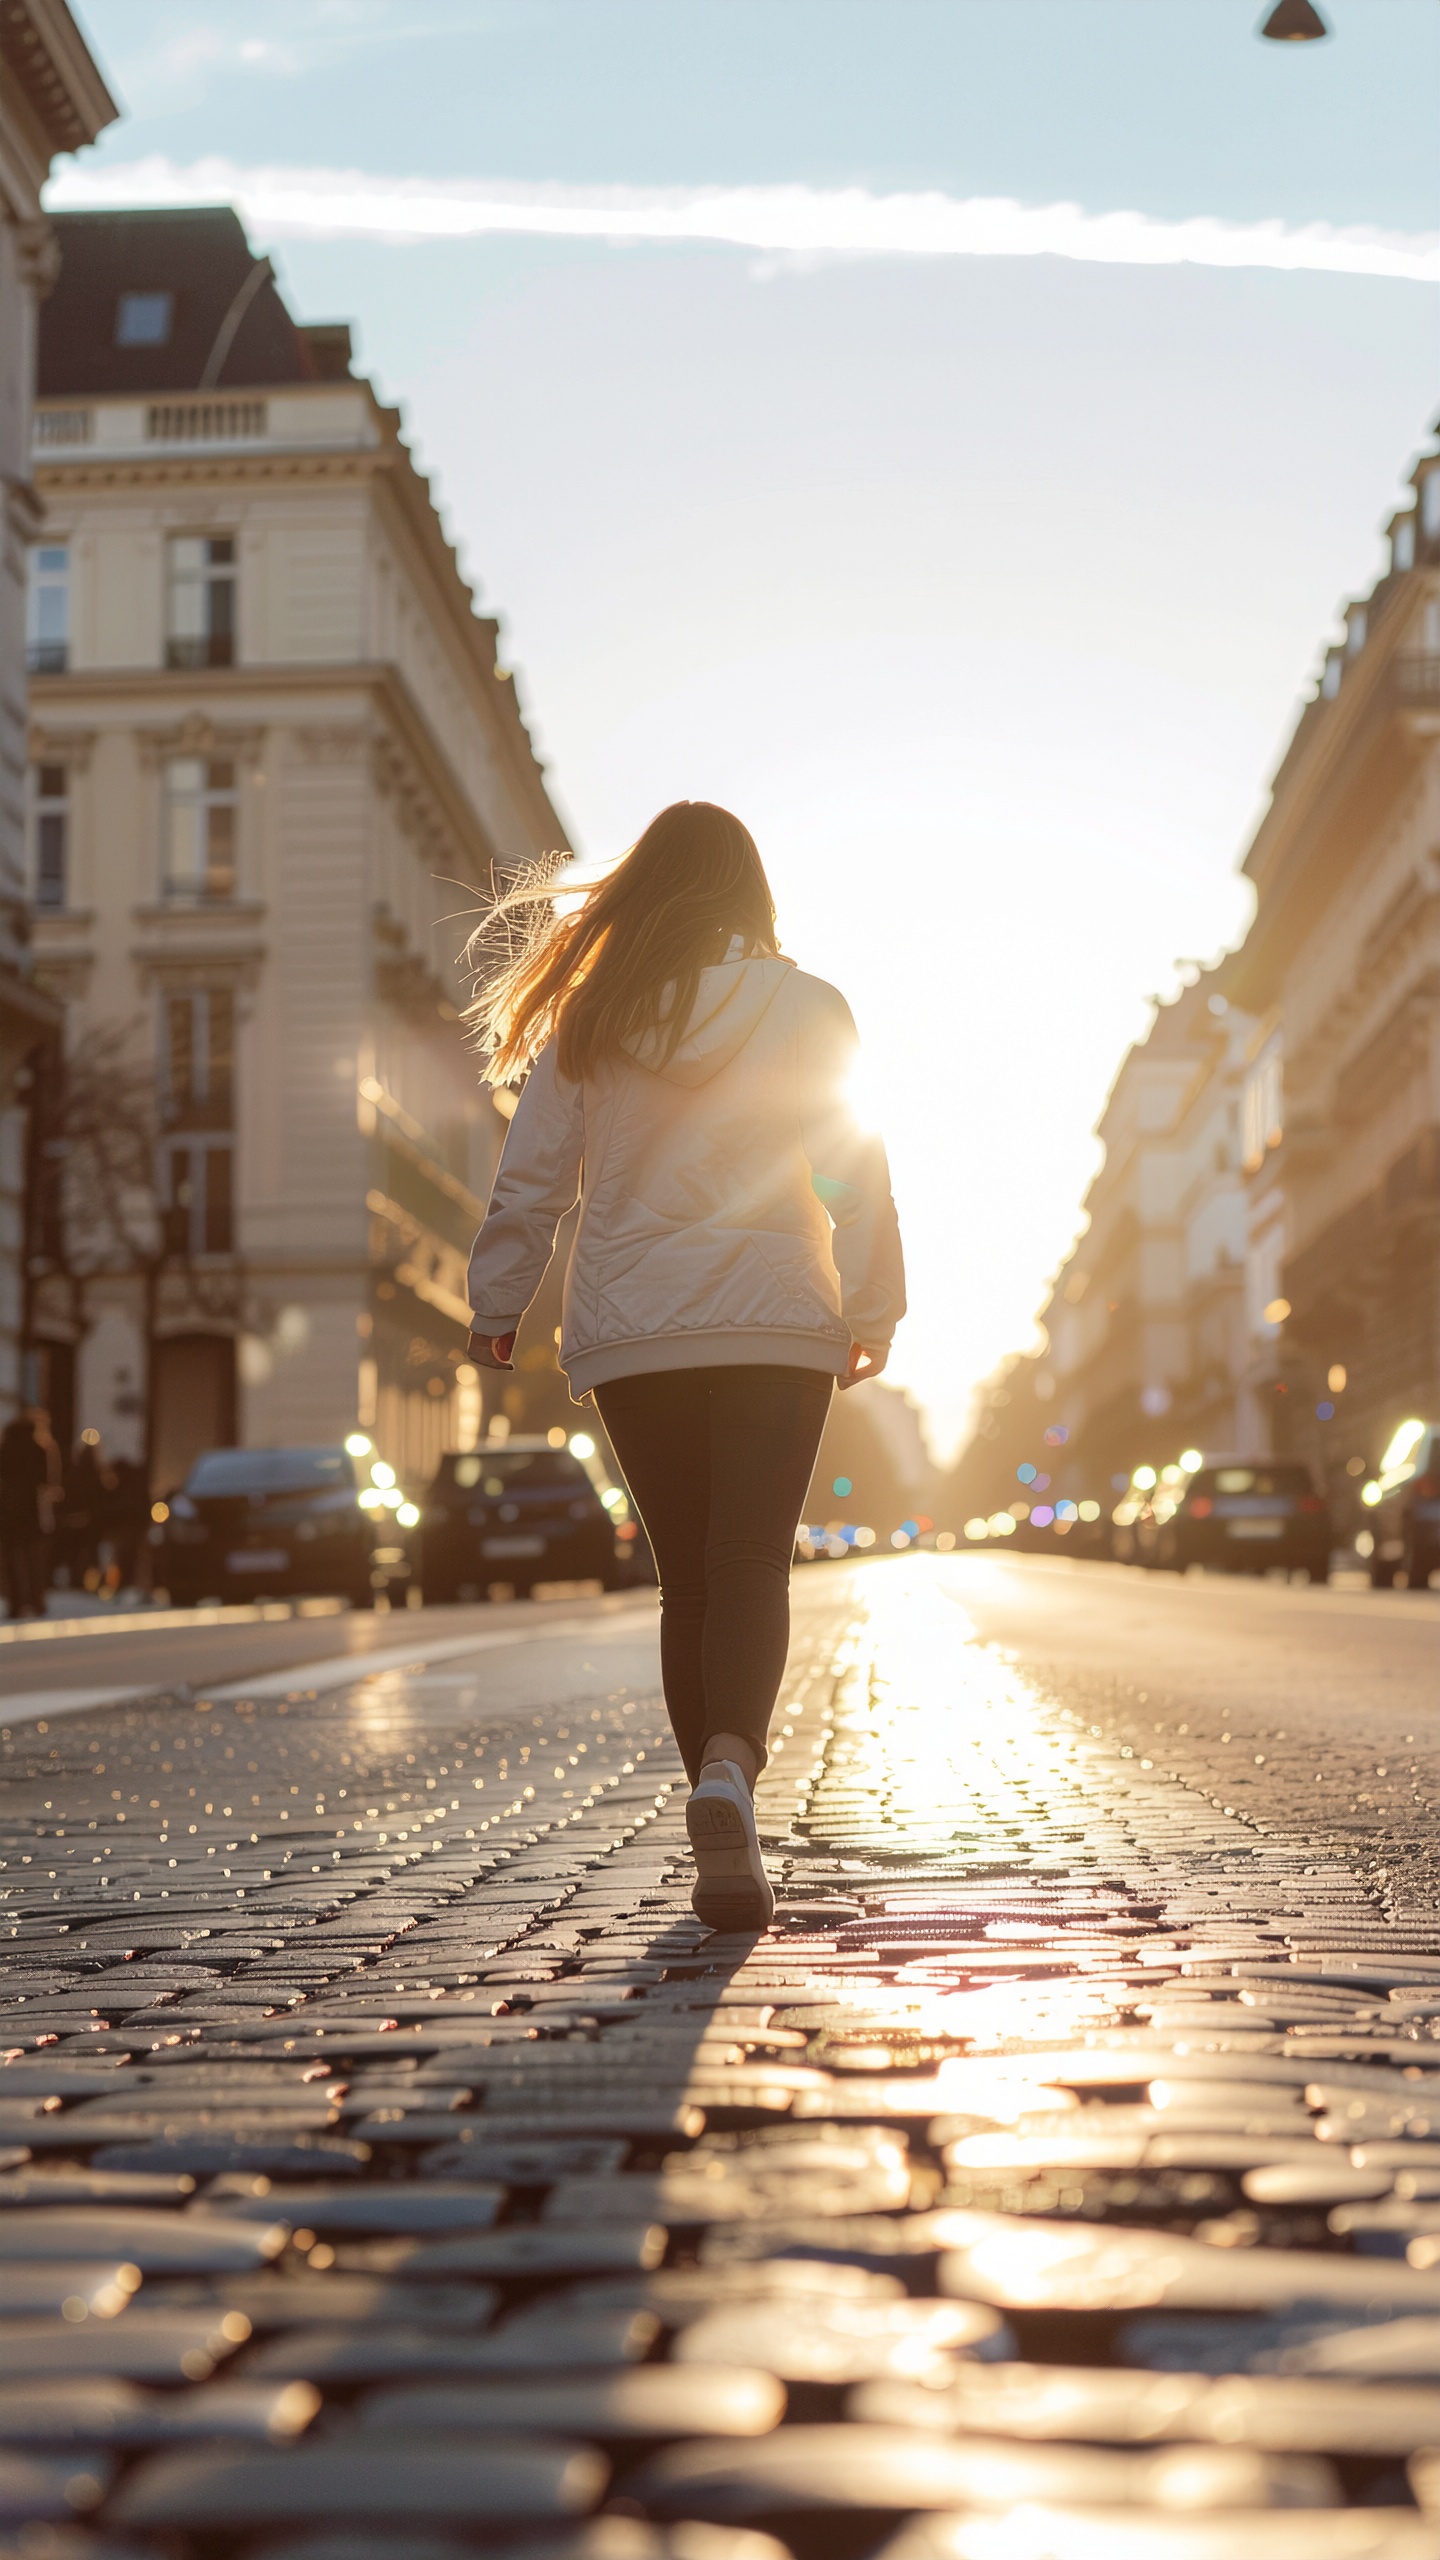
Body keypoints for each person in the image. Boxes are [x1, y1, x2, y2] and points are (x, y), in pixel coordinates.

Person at [463, 801, 905, 1930]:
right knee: (754, 1557)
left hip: (634, 1328)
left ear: (645, 896)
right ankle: (730, 1774)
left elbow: (533, 1176)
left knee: (688, 1583)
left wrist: (498, 1300)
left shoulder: (594, 1016)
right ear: (752, 895)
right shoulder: (809, 1007)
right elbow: (852, 1161)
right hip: (772, 1321)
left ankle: (715, 1822)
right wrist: (874, 1303)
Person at [0, 1408, 58, 1621]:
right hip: (33, 1511)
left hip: (8, 1511)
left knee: (13, 1561)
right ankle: (36, 1601)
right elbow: (47, 1483)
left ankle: (16, 1603)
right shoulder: (41, 1448)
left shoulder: (6, 1447)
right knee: (35, 1560)